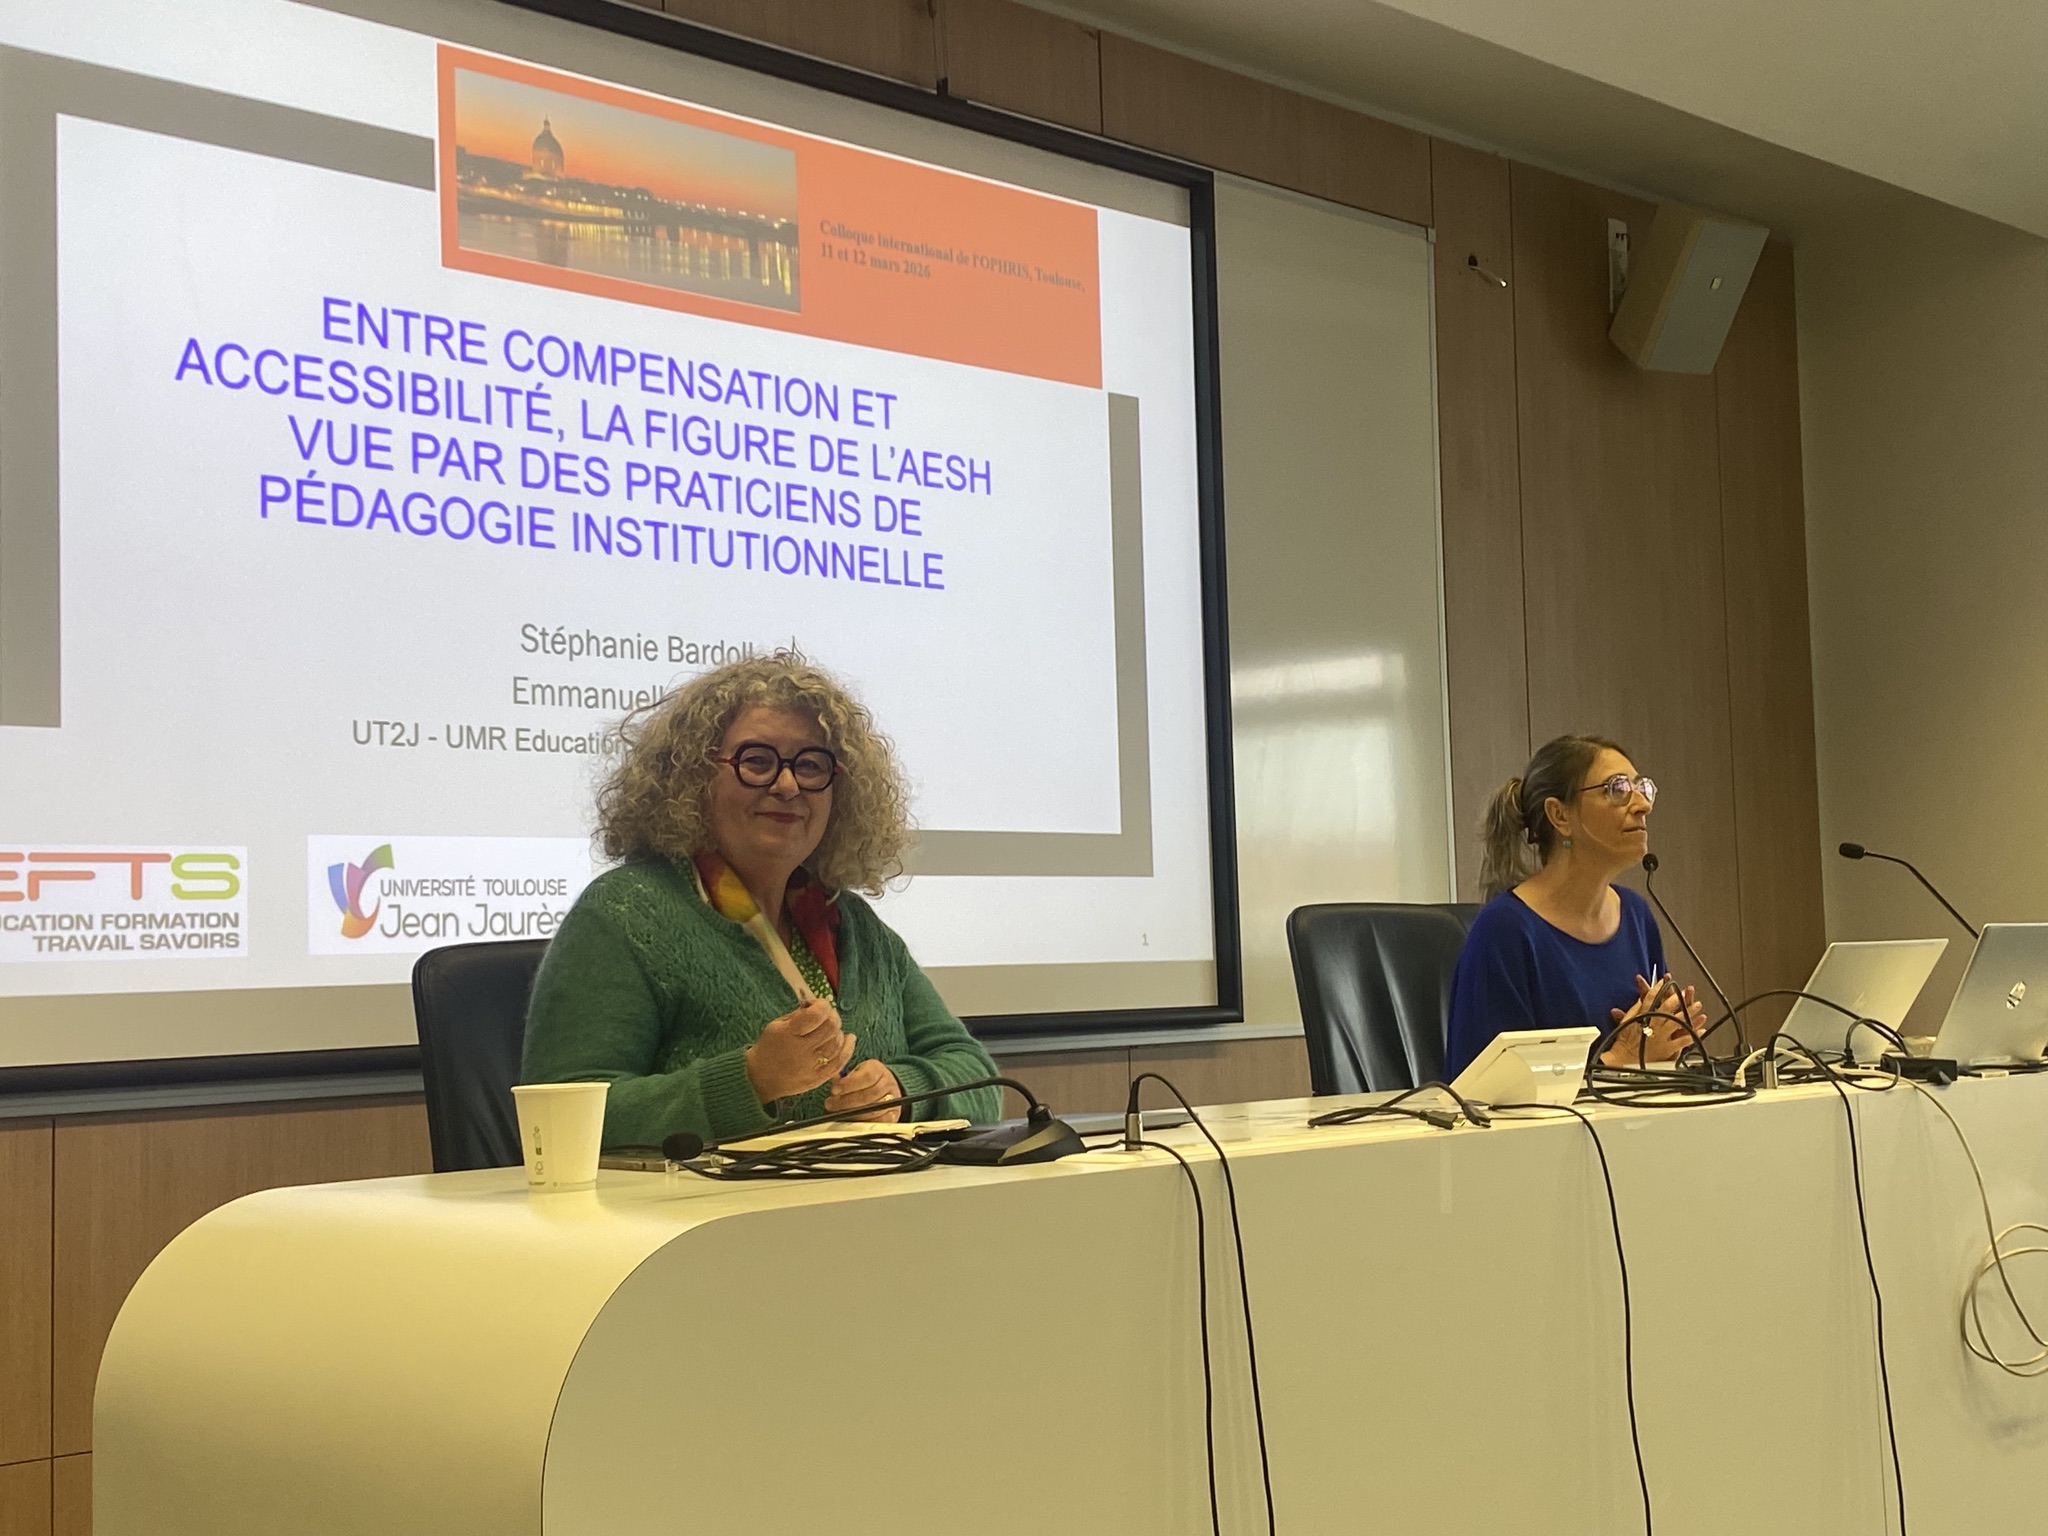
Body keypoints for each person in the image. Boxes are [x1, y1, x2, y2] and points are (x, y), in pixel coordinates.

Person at [522, 652, 1003, 1146]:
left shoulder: (853, 925)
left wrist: (902, 1089)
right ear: (692, 778)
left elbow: (980, 1080)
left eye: (810, 765)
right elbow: (557, 1118)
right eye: (756, 761)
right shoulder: (624, 913)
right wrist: (751, 1080)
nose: (788, 785)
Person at [1443, 734, 1709, 1079]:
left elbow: (1647, 1052)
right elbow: (1483, 1090)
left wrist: (1668, 1043)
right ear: (1559, 815)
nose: (1643, 805)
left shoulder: (1637, 916)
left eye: (1642, 788)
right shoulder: (1504, 931)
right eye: (1617, 789)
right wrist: (1621, 1059)